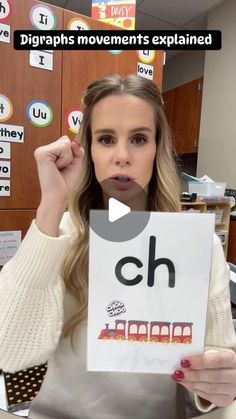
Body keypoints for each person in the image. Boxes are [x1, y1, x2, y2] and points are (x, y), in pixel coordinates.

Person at [0, 74, 236, 419]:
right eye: (106, 139)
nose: (122, 156)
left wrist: (217, 386)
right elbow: (10, 353)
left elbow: (218, 363)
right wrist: (51, 206)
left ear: (157, 149)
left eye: (139, 139)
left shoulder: (196, 244)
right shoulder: (57, 234)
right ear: (89, 149)